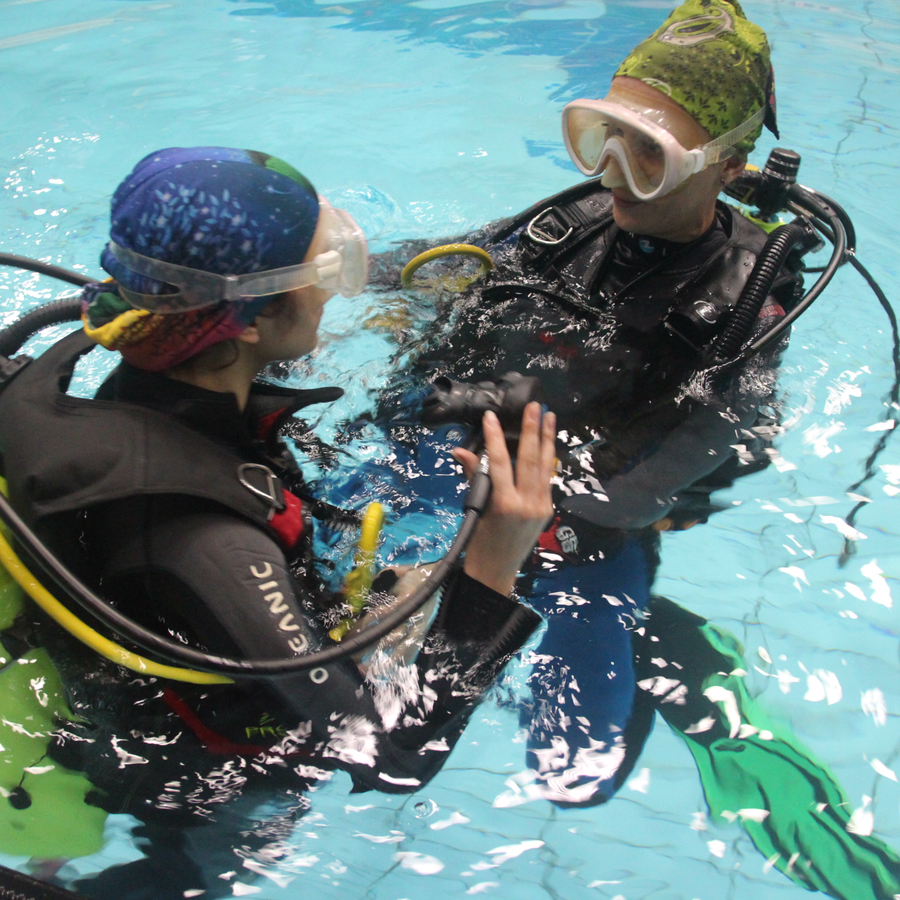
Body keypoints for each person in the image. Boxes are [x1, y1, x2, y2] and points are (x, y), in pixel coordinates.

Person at [0, 146, 556, 899]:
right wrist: (494, 563)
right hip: (200, 771)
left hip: (148, 641)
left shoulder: (144, 369)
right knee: (208, 870)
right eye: (320, 273)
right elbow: (390, 755)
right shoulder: (205, 542)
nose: (330, 296)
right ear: (251, 320)